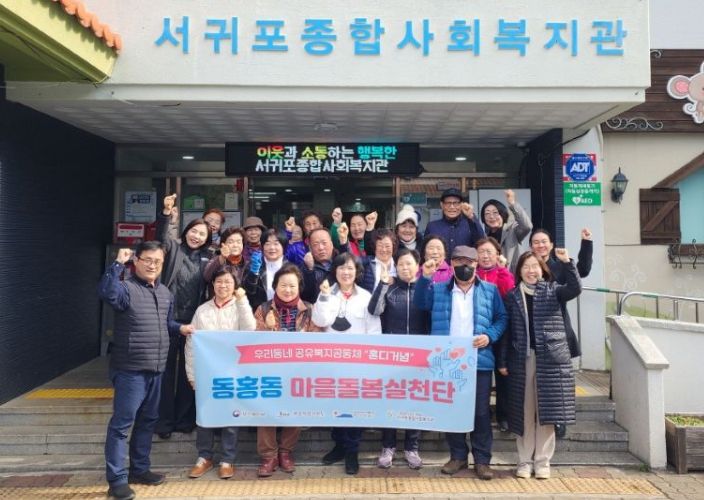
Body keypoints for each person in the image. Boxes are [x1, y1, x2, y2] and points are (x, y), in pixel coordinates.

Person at [98, 242, 192, 500]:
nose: (152, 265)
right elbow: (106, 292)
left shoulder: (165, 292)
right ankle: (116, 480)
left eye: (157, 261)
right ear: (136, 261)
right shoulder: (125, 288)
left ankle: (139, 470)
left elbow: (165, 324)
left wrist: (180, 328)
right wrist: (117, 264)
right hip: (130, 369)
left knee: (148, 421)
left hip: (157, 368)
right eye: (147, 260)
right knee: (122, 425)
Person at [414, 245, 507, 481]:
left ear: (476, 264)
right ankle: (458, 456)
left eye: (469, 262)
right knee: (451, 410)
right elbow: (420, 303)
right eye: (459, 262)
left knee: (481, 413)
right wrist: (425, 277)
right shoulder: (438, 289)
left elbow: (501, 318)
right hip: (448, 361)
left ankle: (482, 460)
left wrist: (490, 336)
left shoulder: (490, 290)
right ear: (452, 264)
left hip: (479, 360)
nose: (464, 266)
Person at [499, 249, 581, 480]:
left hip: (551, 359)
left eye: (535, 266)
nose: (531, 271)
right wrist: (502, 360)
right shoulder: (513, 296)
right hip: (522, 359)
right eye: (526, 267)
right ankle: (524, 461)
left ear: (542, 269)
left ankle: (543, 462)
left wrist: (568, 263)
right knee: (523, 413)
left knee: (547, 412)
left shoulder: (553, 290)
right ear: (519, 271)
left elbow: (575, 288)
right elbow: (506, 332)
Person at [312, 253, 382, 475]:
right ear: (335, 271)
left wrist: (371, 361)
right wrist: (324, 297)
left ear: (357, 271)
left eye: (350, 268)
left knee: (354, 408)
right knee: (335, 406)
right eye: (342, 268)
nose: (346, 272)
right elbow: (320, 321)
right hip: (331, 363)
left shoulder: (366, 296)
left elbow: (374, 331)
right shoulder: (326, 293)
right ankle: (339, 446)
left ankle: (352, 450)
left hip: (358, 365)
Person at [185, 267, 255, 480]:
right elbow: (191, 344)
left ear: (235, 286)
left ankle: (227, 459)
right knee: (205, 416)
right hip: (207, 372)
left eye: (228, 282)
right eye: (219, 281)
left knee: (231, 417)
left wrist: (242, 301)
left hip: (233, 372)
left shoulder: (240, 306)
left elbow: (250, 330)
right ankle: (204, 457)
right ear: (213, 284)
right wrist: (192, 375)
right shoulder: (202, 310)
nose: (223, 285)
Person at [253, 264, 323, 477]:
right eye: (283, 285)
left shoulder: (309, 310)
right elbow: (254, 343)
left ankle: (286, 452)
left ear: (299, 287)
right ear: (275, 286)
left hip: (298, 372)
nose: (288, 290)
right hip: (269, 372)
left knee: (294, 412)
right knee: (266, 412)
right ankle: (268, 456)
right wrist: (269, 328)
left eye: (292, 285)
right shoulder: (263, 309)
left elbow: (318, 340)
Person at [155, 194, 212, 438]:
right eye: (194, 231)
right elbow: (162, 238)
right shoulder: (174, 249)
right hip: (168, 320)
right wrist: (166, 214)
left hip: (194, 322)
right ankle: (164, 422)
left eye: (202, 234)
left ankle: (185, 419)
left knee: (190, 373)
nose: (196, 236)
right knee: (165, 372)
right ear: (187, 231)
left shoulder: (208, 258)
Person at [367, 248, 429, 469]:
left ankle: (412, 448)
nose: (405, 268)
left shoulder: (426, 288)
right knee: (390, 401)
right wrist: (383, 284)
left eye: (409, 263)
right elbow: (374, 310)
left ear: (417, 266)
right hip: (392, 358)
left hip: (420, 358)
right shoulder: (390, 289)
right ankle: (388, 446)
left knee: (415, 402)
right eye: (401, 264)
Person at [530, 227, 593, 438]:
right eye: (536, 242)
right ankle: (537, 416)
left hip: (556, 329)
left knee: (558, 379)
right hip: (533, 331)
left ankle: (559, 420)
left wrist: (586, 244)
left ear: (551, 245)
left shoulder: (559, 265)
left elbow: (583, 271)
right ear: (531, 246)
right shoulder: (526, 266)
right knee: (535, 378)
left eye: (544, 241)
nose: (540, 245)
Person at [475, 237, 516, 433]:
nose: (485, 256)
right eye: (481, 252)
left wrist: (503, 270)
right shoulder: (471, 273)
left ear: (497, 255)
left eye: (489, 252)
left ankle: (503, 415)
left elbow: (509, 292)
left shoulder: (503, 273)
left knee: (502, 374)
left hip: (500, 330)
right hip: (479, 331)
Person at [480, 189, 533, 273]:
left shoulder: (512, 231)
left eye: (495, 213)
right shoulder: (484, 238)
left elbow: (527, 226)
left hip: (513, 277)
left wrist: (512, 204)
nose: (491, 217)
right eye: (487, 213)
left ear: (502, 214)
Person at [424, 188, 485, 257]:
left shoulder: (470, 224)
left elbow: (481, 242)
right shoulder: (432, 227)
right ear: (442, 205)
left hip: (465, 264)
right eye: (448, 203)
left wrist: (471, 216)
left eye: (456, 203)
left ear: (461, 205)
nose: (452, 207)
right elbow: (425, 251)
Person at [242, 229, 288, 313]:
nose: (272, 247)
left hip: (285, 314)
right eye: (267, 244)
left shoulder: (291, 268)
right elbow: (247, 293)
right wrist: (254, 273)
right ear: (262, 247)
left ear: (283, 246)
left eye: (276, 244)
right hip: (259, 314)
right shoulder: (253, 265)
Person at [341, 226, 397, 293]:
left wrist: (396, 280)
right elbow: (350, 259)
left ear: (393, 246)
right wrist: (344, 240)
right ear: (375, 246)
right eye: (380, 245)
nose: (384, 249)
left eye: (387, 246)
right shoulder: (367, 262)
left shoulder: (399, 263)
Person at [300, 227, 336, 303]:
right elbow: (306, 296)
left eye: (324, 243)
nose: (321, 248)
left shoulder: (340, 261)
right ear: (310, 248)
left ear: (332, 244)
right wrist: (309, 270)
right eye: (315, 244)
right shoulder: (304, 267)